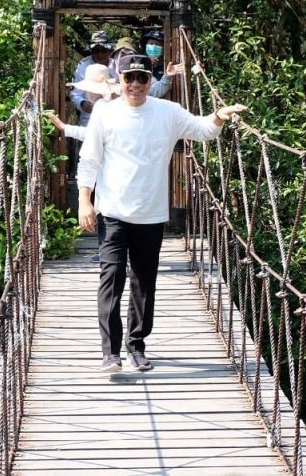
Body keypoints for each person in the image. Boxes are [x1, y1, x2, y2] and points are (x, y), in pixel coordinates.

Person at [77, 54, 246, 372]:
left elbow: (202, 130)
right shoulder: (105, 113)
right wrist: (85, 200)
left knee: (144, 282)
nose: (136, 85)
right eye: (130, 78)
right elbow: (90, 159)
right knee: (110, 279)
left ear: (150, 80)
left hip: (151, 214)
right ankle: (110, 352)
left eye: (142, 78)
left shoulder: (168, 112)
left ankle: (136, 345)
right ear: (119, 80)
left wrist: (219, 116)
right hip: (112, 210)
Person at [54, 63, 119, 262]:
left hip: (108, 166)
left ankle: (108, 254)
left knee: (106, 210)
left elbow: (92, 141)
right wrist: (66, 128)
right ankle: (110, 254)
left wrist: (66, 129)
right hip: (114, 166)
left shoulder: (101, 107)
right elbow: (93, 136)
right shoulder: (113, 104)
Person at [71, 30, 113, 127]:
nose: (99, 54)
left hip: (112, 119)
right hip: (88, 119)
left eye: (103, 50)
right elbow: (75, 94)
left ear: (110, 51)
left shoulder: (116, 66)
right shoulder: (83, 67)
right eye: (96, 51)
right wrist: (82, 103)